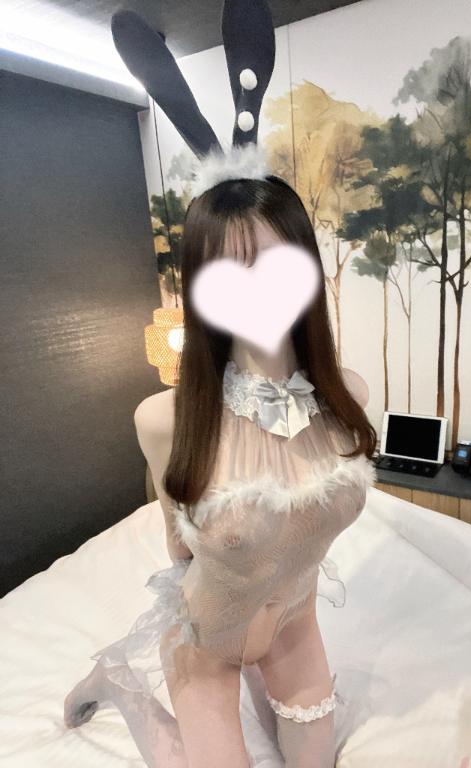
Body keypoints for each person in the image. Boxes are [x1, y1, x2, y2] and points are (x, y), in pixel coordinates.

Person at [62, 174, 377, 767]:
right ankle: (120, 682)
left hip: (295, 628)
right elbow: (178, 544)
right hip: (207, 641)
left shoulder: (349, 397)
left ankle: (264, 681)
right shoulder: (164, 419)